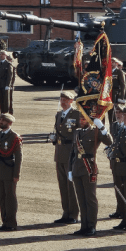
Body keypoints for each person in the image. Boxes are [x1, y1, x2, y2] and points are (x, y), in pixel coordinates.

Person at [68, 113, 113, 236]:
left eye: (83, 119)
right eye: (80, 119)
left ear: (89, 120)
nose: (81, 121)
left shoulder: (95, 131)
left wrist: (103, 128)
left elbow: (109, 141)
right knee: (81, 200)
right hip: (76, 168)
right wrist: (69, 170)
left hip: (89, 168)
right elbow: (72, 152)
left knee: (90, 199)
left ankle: (91, 226)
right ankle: (84, 226)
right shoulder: (77, 132)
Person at [49, 91, 82, 224]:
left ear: (71, 101)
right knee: (62, 185)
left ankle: (73, 214)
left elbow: (80, 133)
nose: (63, 101)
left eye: (66, 99)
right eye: (61, 99)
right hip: (59, 152)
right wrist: (53, 138)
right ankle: (66, 212)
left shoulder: (77, 114)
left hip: (70, 152)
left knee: (71, 185)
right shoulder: (58, 115)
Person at [0, 113, 23, 231]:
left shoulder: (14, 137)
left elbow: (19, 157)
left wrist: (16, 174)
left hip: (9, 171)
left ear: (9, 123)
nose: (1, 122)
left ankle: (11, 223)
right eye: (0, 120)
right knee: (2, 197)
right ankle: (4, 221)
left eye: (3, 121)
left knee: (10, 198)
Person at [0, 50, 15, 115]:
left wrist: (8, 85)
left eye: (2, 54)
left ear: (5, 55)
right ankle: (2, 113)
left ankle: (6, 114)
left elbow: (9, 76)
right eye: (0, 54)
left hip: (5, 85)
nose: (1, 55)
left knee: (6, 101)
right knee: (0, 100)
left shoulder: (8, 64)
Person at [109, 58, 126, 126]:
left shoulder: (119, 72)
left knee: (116, 112)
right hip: (109, 94)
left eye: (113, 62)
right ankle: (111, 127)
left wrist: (121, 97)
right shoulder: (108, 72)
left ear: (116, 64)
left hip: (116, 93)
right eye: (111, 62)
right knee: (110, 112)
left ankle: (117, 127)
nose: (112, 63)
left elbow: (123, 85)